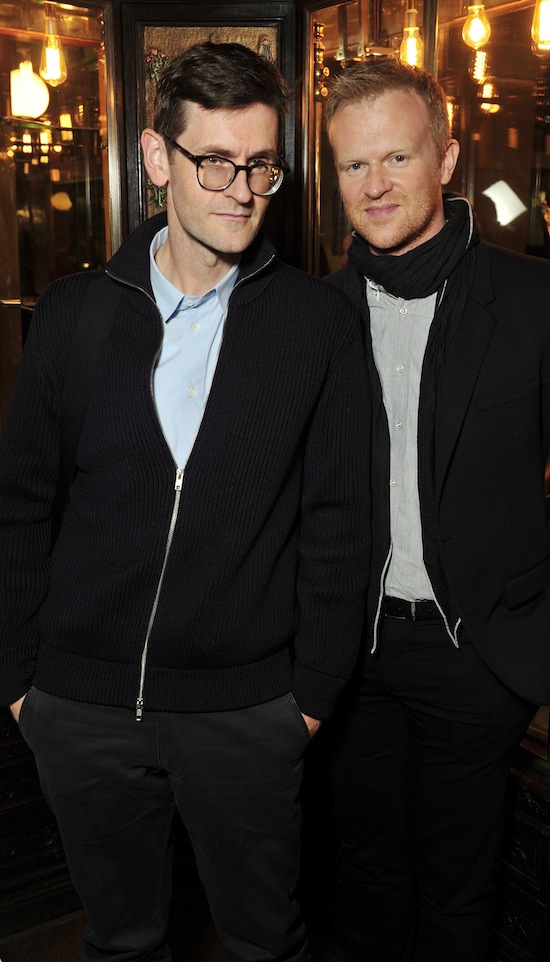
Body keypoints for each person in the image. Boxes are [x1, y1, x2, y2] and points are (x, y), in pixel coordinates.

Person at [0, 42, 371, 962]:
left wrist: (309, 699)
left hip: (246, 713)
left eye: (260, 165)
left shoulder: (317, 322)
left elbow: (339, 523)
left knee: (264, 942)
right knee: (122, 941)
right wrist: (20, 685)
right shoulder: (74, 313)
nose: (241, 191)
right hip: (78, 706)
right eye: (214, 162)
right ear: (156, 158)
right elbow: (20, 507)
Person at [321, 58, 550, 962]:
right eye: (353, 164)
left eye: (397, 157)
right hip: (349, 656)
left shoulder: (538, 299)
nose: (375, 185)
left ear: (447, 158)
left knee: (459, 889)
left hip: (479, 655)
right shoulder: (315, 312)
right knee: (364, 877)